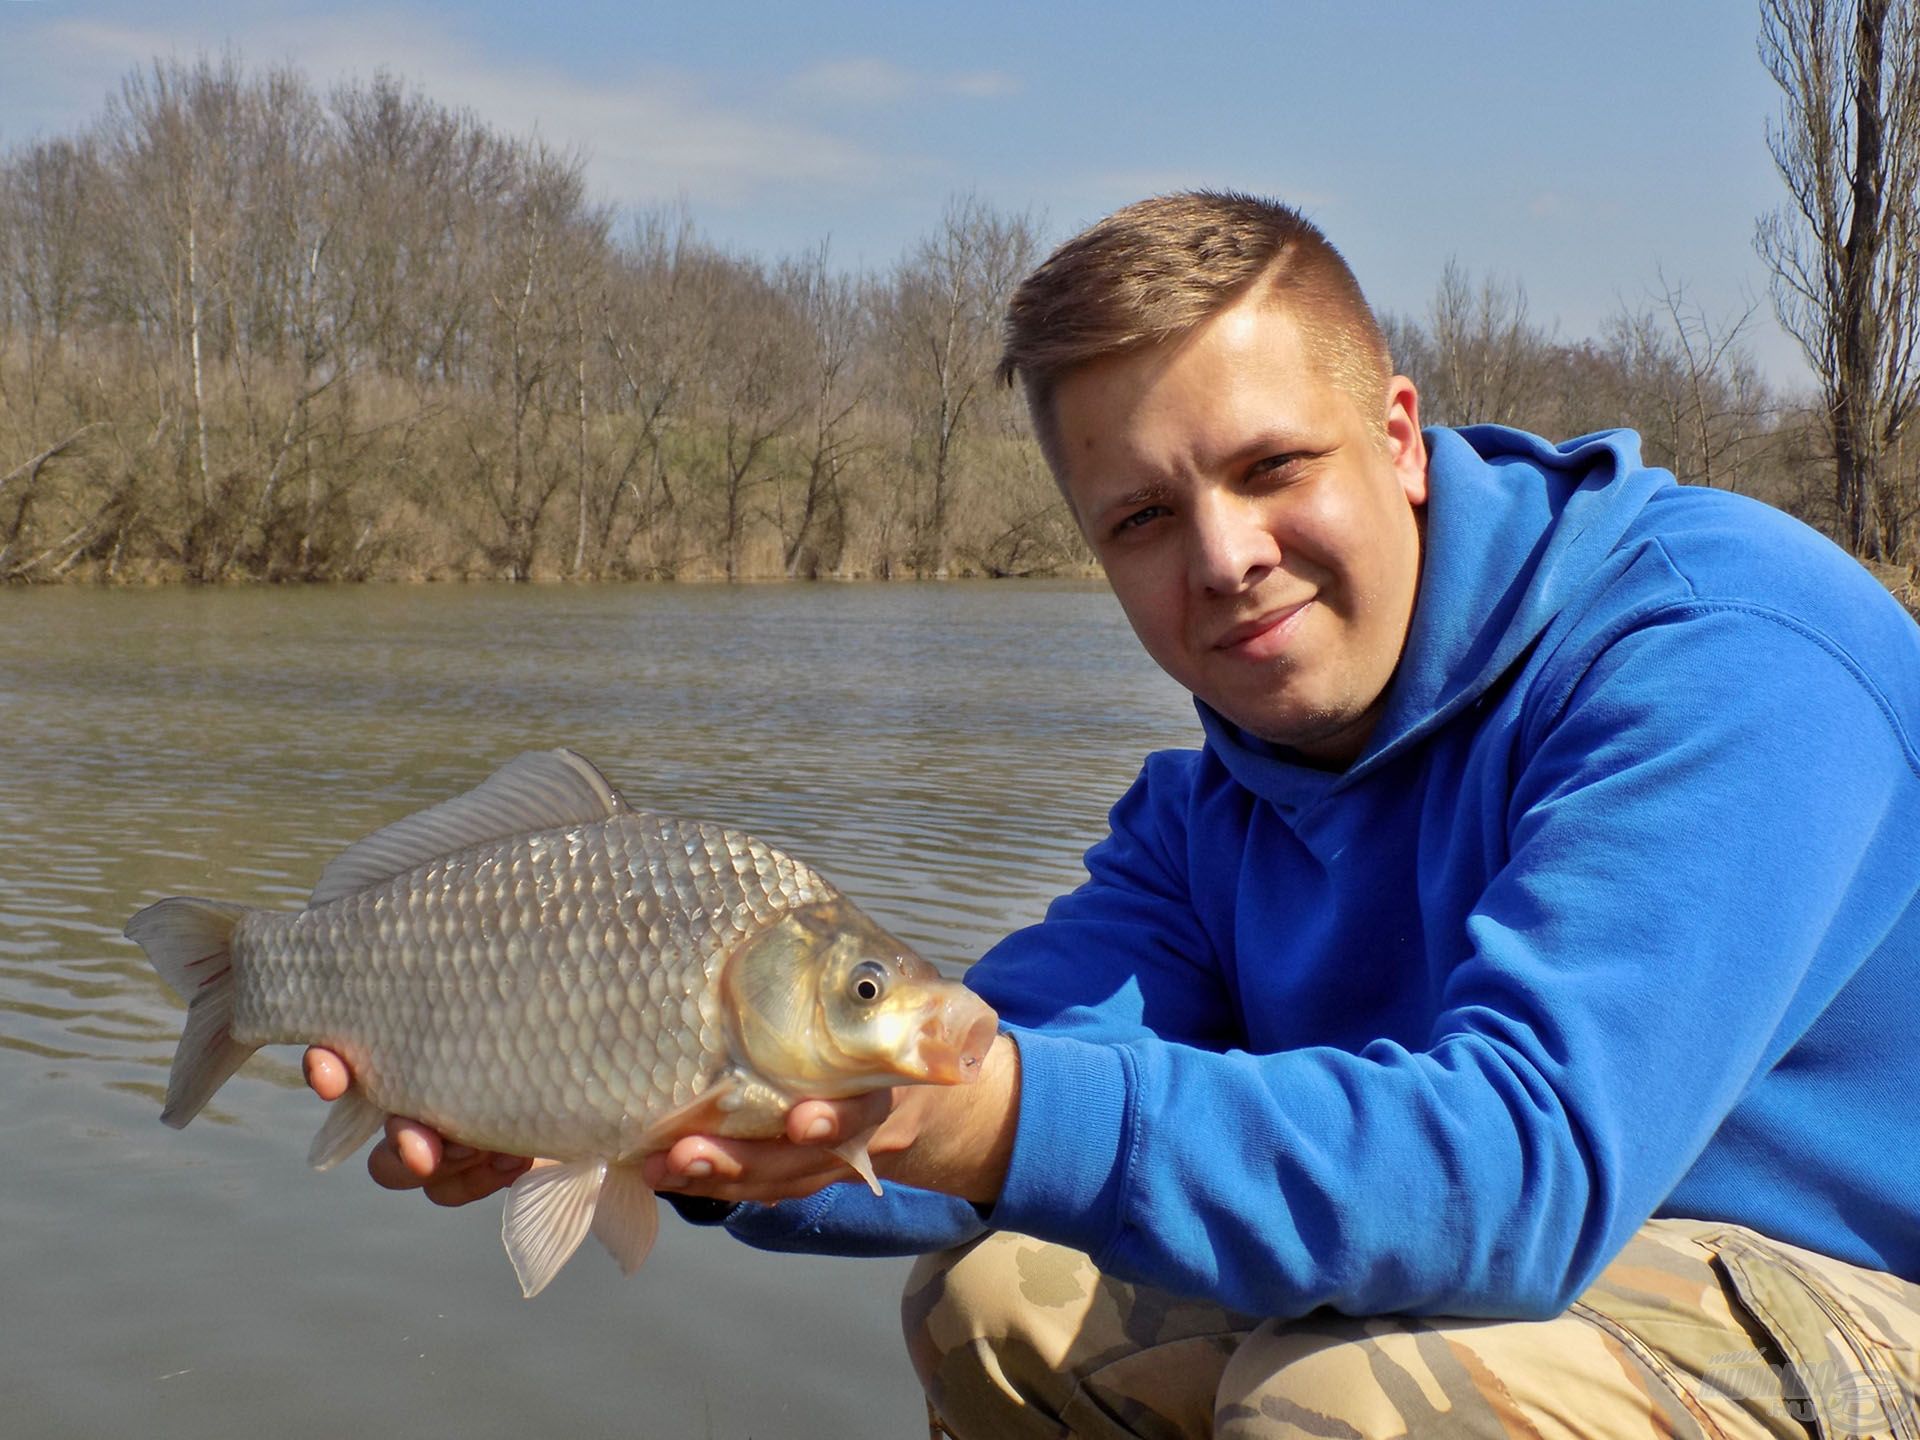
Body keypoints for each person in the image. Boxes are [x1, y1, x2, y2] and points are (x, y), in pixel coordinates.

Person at [306, 192, 1920, 1439]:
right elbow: (997, 1058)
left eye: (1274, 466)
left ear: (1404, 438)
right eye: (1144, 516)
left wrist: (992, 1116)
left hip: (1845, 1296)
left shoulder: (1722, 660)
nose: (1223, 559)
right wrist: (685, 1130)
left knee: (1354, 1412)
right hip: (1555, 1291)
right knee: (997, 1304)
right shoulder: (1215, 806)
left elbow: (1517, 1166)